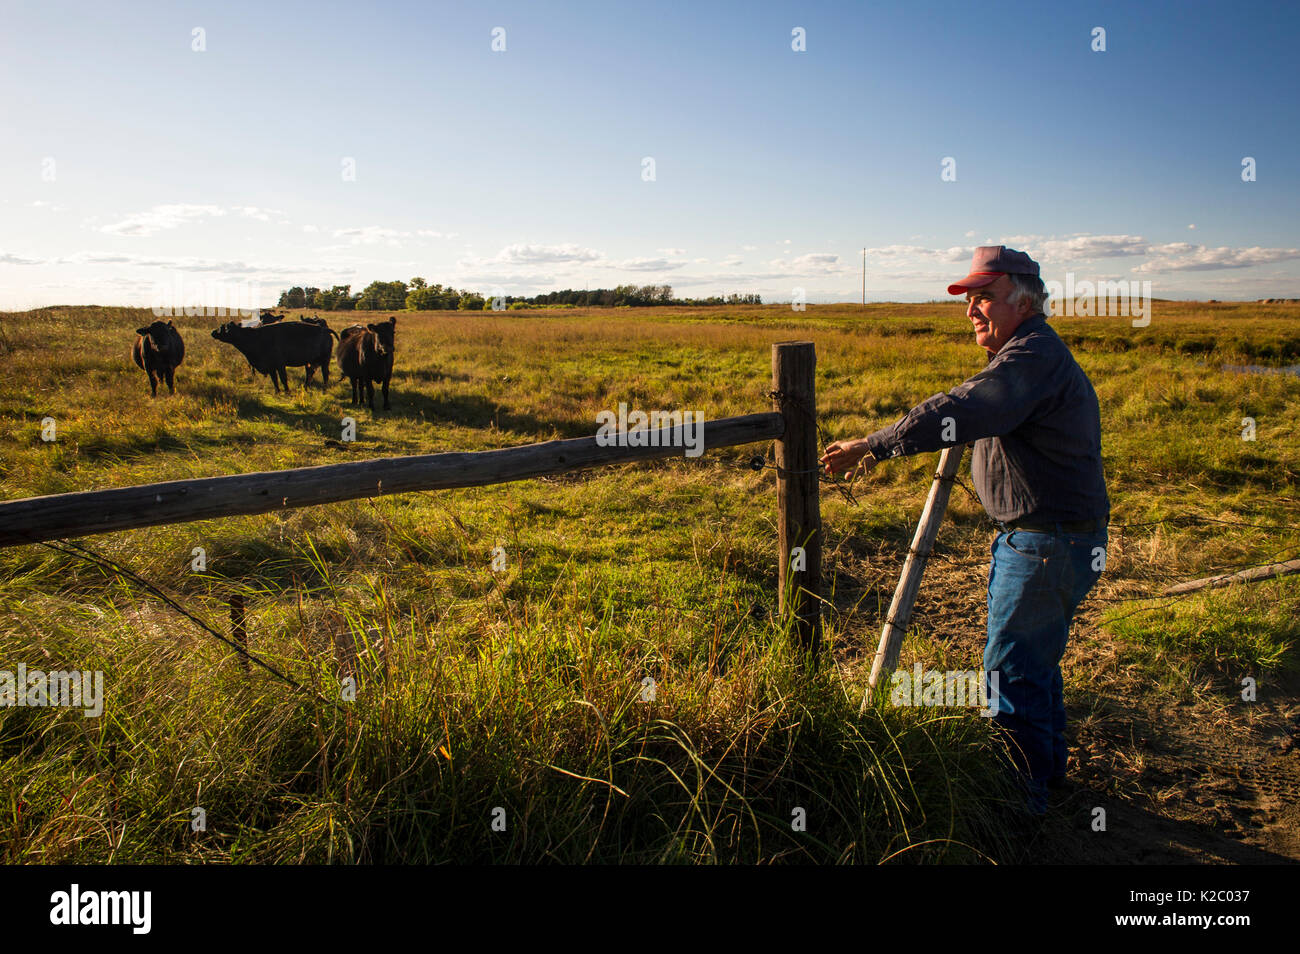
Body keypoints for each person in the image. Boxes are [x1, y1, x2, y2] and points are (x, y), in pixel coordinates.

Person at [820, 245, 1110, 815]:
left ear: (1024, 301)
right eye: (969, 299)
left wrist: (871, 446)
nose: (973, 310)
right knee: (1035, 664)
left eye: (986, 297)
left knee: (1010, 671)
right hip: (1051, 538)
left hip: (1045, 542)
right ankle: (1048, 778)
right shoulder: (1031, 353)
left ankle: (1015, 804)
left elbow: (968, 405)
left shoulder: (1031, 358)